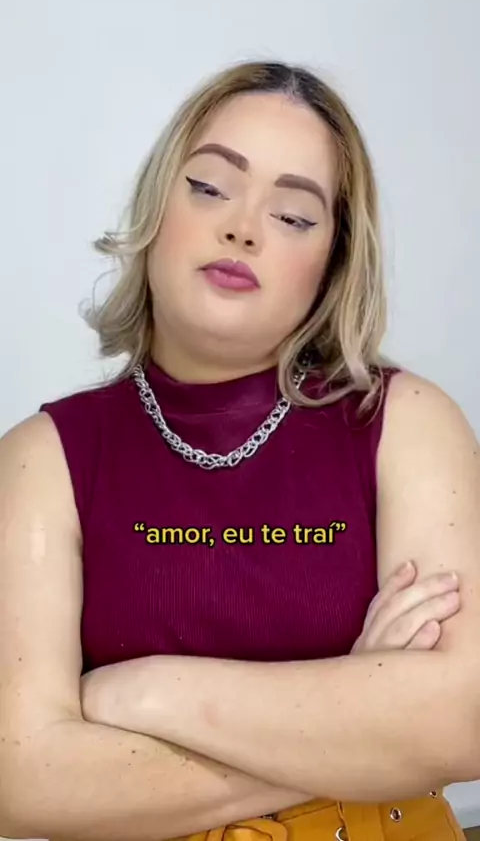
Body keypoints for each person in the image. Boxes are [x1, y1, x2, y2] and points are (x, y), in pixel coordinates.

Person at [0, 59, 478, 841]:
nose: (244, 228)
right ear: (157, 206)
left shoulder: (407, 422)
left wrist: (142, 694)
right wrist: (357, 716)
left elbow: (461, 720)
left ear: (332, 262)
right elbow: (21, 779)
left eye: (293, 216)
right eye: (210, 187)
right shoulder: (41, 460)